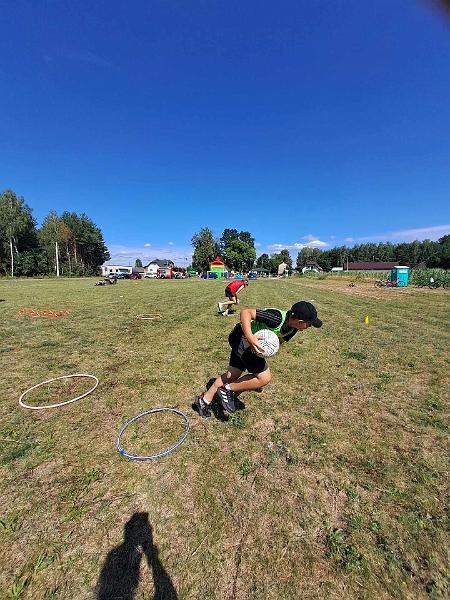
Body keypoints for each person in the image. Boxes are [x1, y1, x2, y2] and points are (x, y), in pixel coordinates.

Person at [194, 301, 322, 417]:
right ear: (300, 321)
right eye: (309, 324)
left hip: (248, 345)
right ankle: (226, 390)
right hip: (241, 337)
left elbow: (278, 342)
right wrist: (250, 337)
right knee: (264, 377)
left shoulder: (293, 330)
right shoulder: (276, 318)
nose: (309, 327)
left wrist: (265, 351)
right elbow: (246, 312)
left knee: (232, 374)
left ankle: (203, 401)